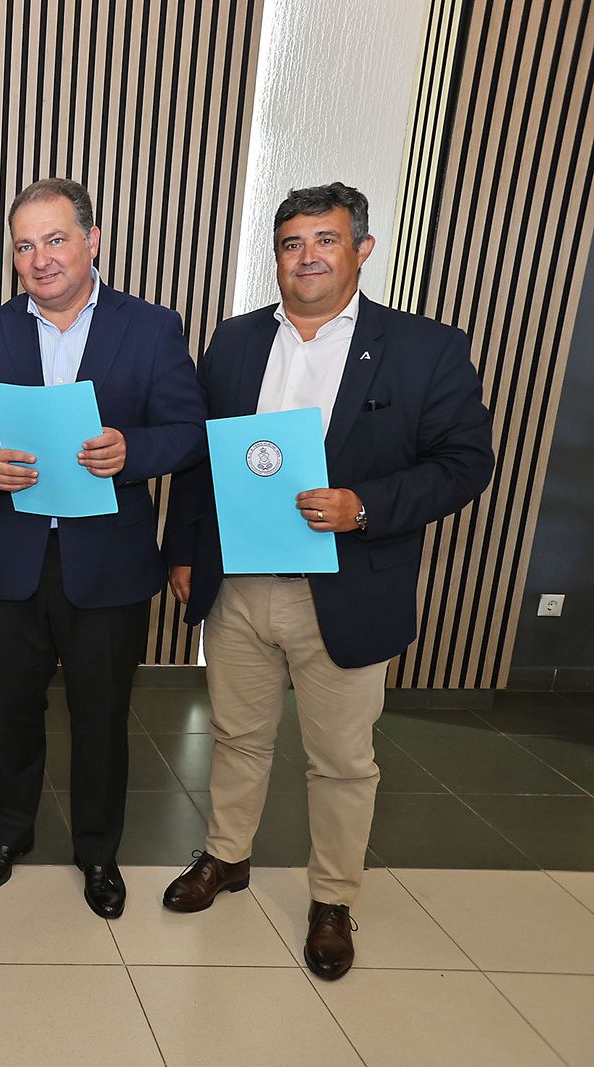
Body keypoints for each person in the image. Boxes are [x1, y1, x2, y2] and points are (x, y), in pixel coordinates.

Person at [160, 182, 494, 978]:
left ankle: (333, 898)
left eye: (326, 240)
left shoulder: (427, 348)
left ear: (361, 250)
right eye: (292, 243)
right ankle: (227, 855)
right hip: (237, 582)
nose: (307, 256)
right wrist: (181, 551)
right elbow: (201, 458)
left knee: (341, 757)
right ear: (275, 256)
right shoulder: (235, 343)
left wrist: (364, 506)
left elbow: (466, 463)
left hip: (348, 585)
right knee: (238, 735)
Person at [0, 178, 206, 917]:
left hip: (106, 565)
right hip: (9, 561)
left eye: (55, 239)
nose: (40, 258)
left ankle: (97, 852)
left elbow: (186, 431)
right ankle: (7, 834)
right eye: (24, 245)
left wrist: (130, 451)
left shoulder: (150, 328)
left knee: (102, 717)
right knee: (10, 709)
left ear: (93, 240)